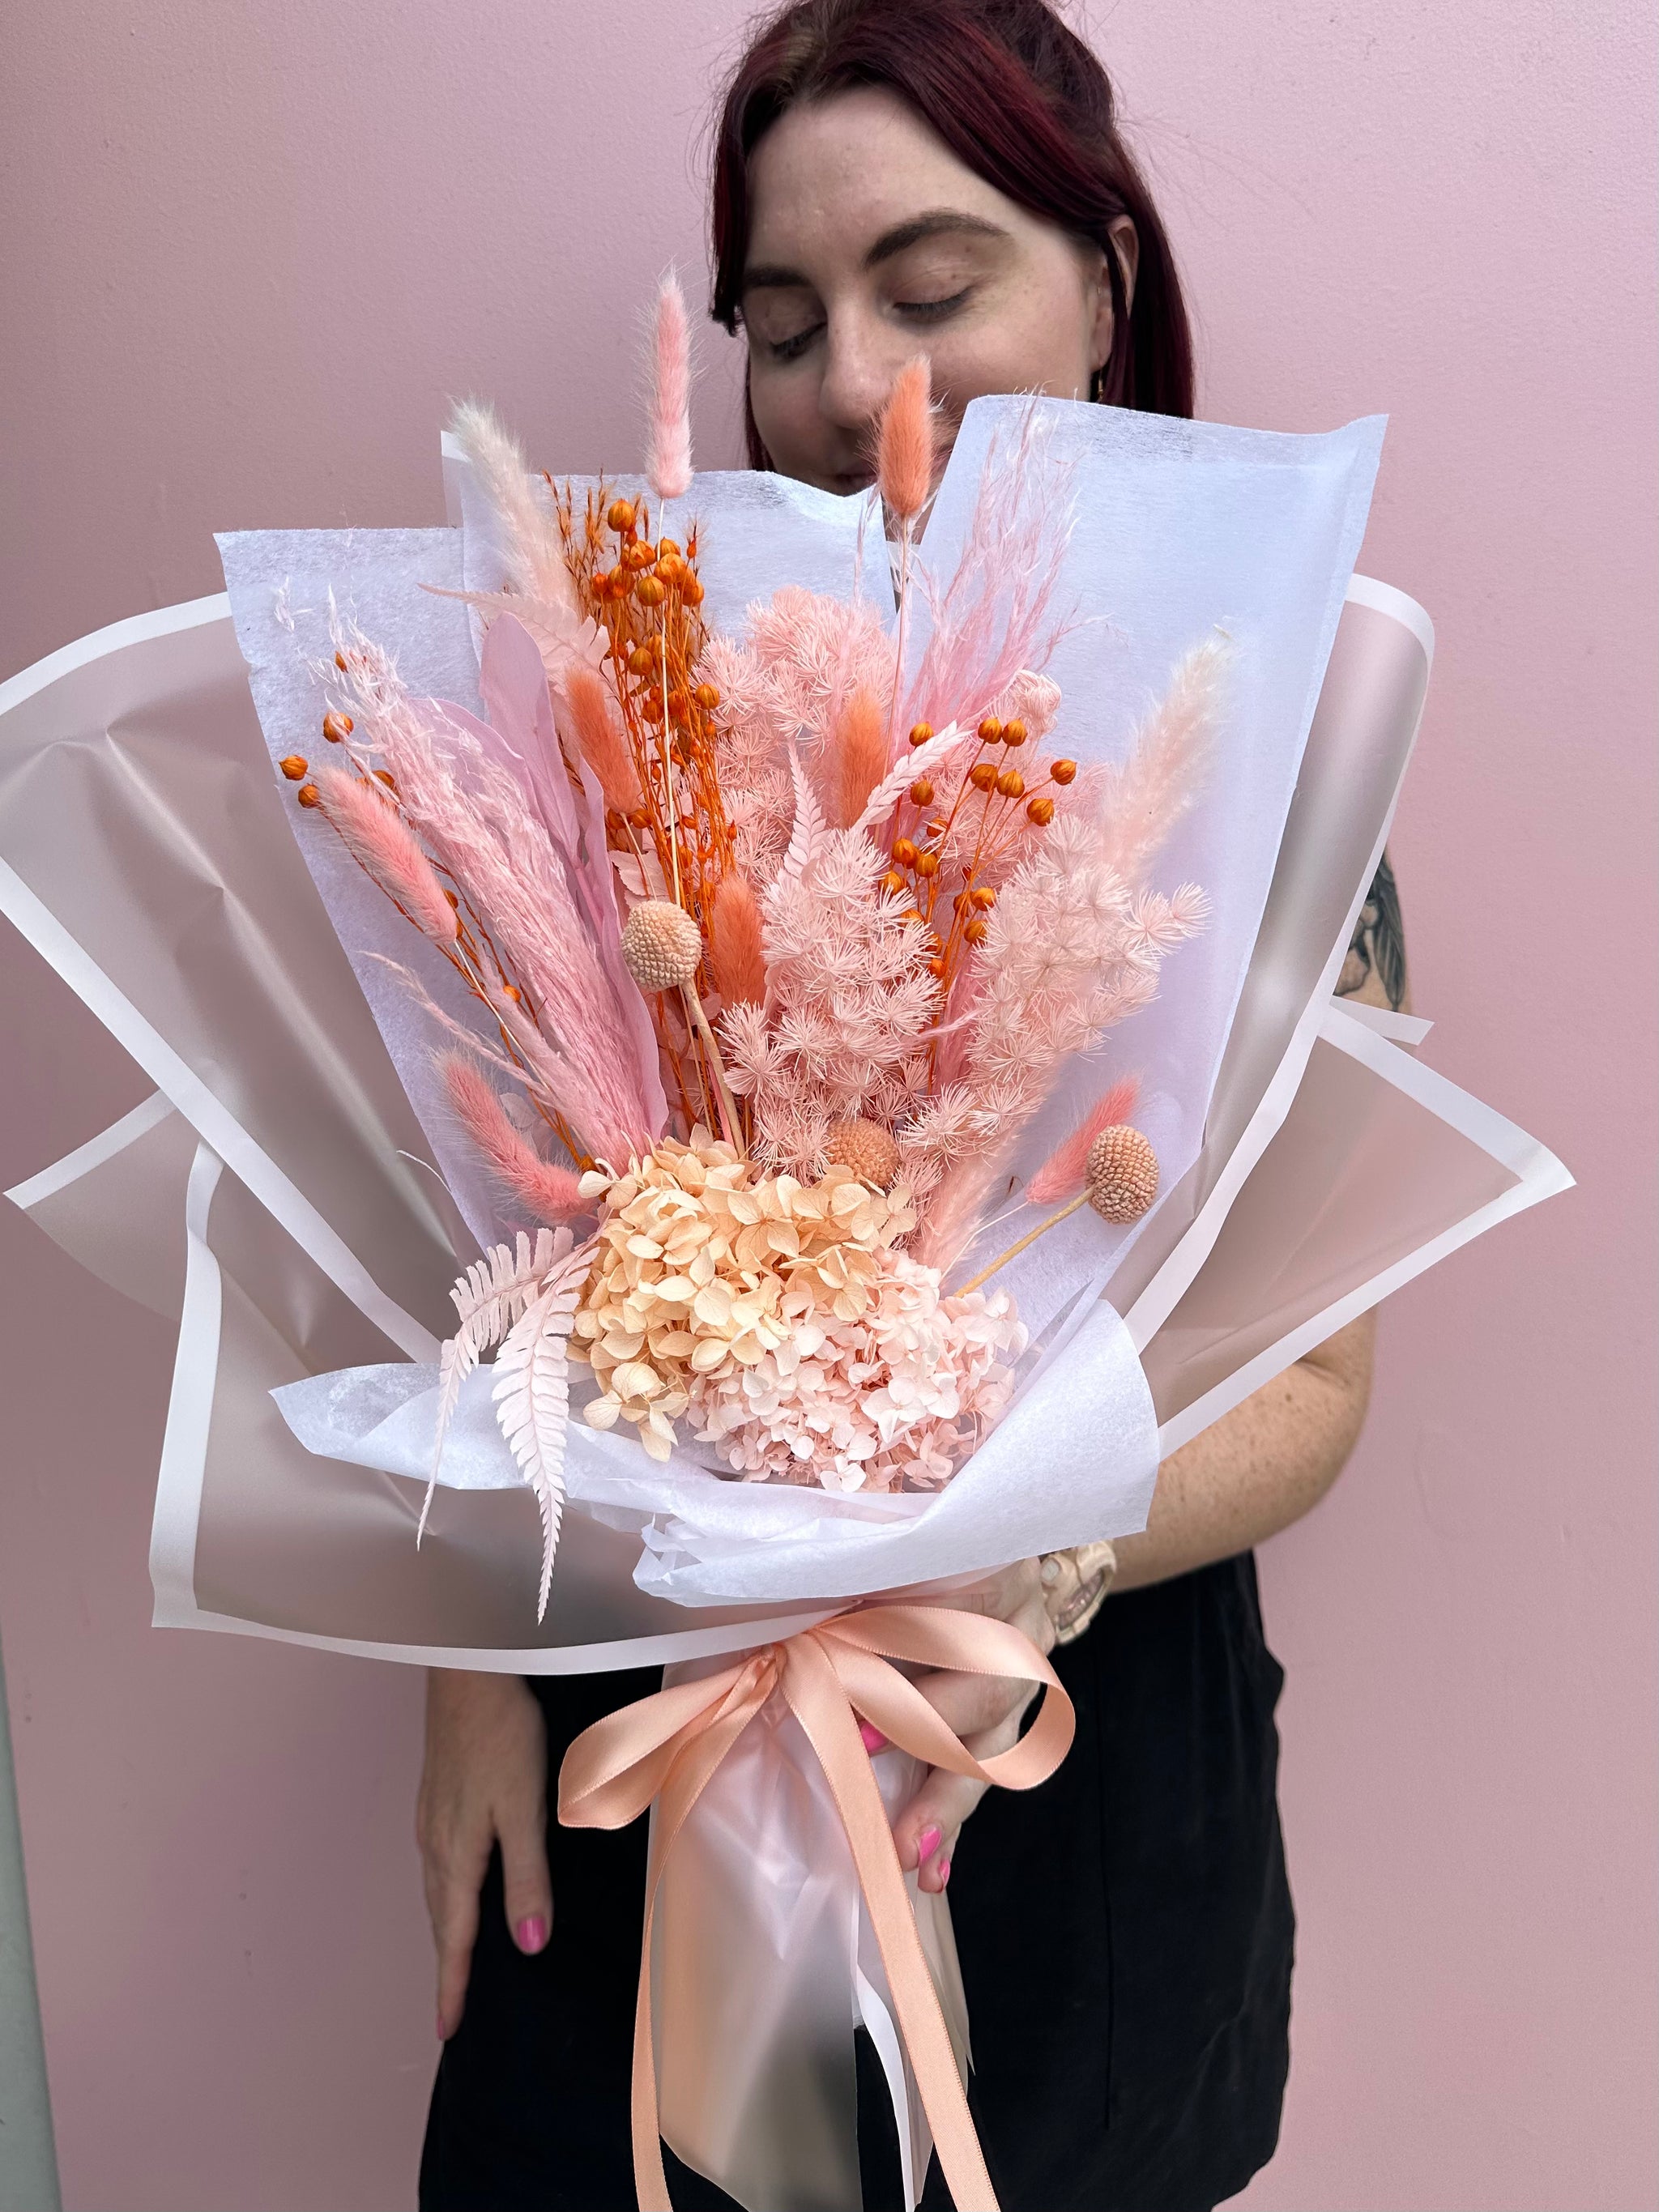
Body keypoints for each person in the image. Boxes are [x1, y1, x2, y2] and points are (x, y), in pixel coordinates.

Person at [417, 4, 1409, 2206]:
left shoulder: (1259, 766)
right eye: (782, 323)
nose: (850, 378)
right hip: (649, 1733)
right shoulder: (657, 716)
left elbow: (1319, 1380)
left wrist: (983, 1557)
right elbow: (505, 1244)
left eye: (932, 288)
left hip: (1057, 1736)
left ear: (1107, 286)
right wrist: (468, 1669)